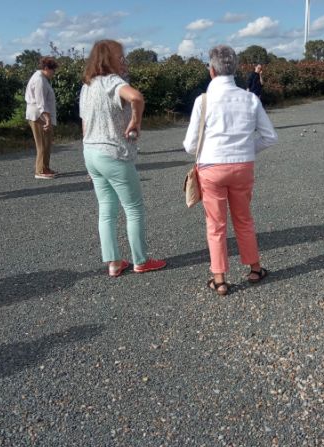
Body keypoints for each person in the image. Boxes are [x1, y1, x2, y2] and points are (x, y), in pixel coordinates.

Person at [183, 45, 278, 296]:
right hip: (243, 166)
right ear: (235, 69)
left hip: (211, 167)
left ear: (212, 70)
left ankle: (220, 279)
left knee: (216, 224)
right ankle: (255, 268)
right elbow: (270, 137)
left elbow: (190, 145)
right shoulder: (250, 99)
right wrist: (247, 149)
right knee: (244, 219)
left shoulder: (203, 101)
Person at [79, 39, 166, 277]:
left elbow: (84, 124)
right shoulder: (112, 81)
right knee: (134, 208)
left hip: (91, 151)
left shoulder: (87, 86)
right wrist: (135, 121)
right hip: (113, 153)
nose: (123, 61)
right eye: (120, 56)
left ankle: (114, 263)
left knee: (106, 209)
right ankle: (141, 260)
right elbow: (136, 97)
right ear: (110, 59)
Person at [25, 56, 59, 179]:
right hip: (38, 115)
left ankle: (45, 167)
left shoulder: (42, 78)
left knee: (47, 142)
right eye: (53, 70)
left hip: (40, 114)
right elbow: (41, 102)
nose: (54, 73)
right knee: (42, 143)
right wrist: (47, 119)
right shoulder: (39, 80)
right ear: (46, 68)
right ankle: (40, 171)